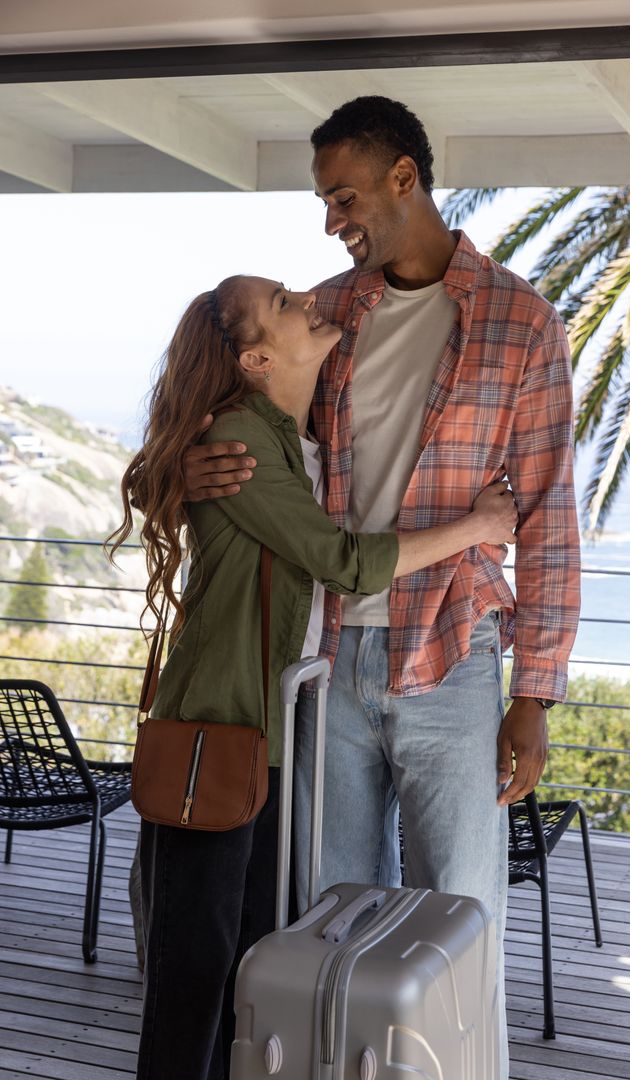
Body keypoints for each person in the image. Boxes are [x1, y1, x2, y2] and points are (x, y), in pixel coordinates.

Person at [182, 96, 581, 1077]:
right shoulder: (331, 311)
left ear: (406, 177)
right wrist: (187, 470)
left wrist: (535, 695)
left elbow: (549, 517)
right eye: (325, 201)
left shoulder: (522, 324)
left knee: (461, 921)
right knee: (329, 920)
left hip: (452, 661)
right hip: (323, 666)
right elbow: (233, 411)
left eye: (344, 195)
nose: (331, 220)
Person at [110, 272, 517, 1080]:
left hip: (263, 738)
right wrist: (477, 527)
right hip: (215, 734)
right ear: (258, 356)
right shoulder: (240, 435)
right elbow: (341, 562)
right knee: (194, 972)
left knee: (255, 958)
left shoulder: (294, 445)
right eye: (285, 304)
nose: (308, 301)